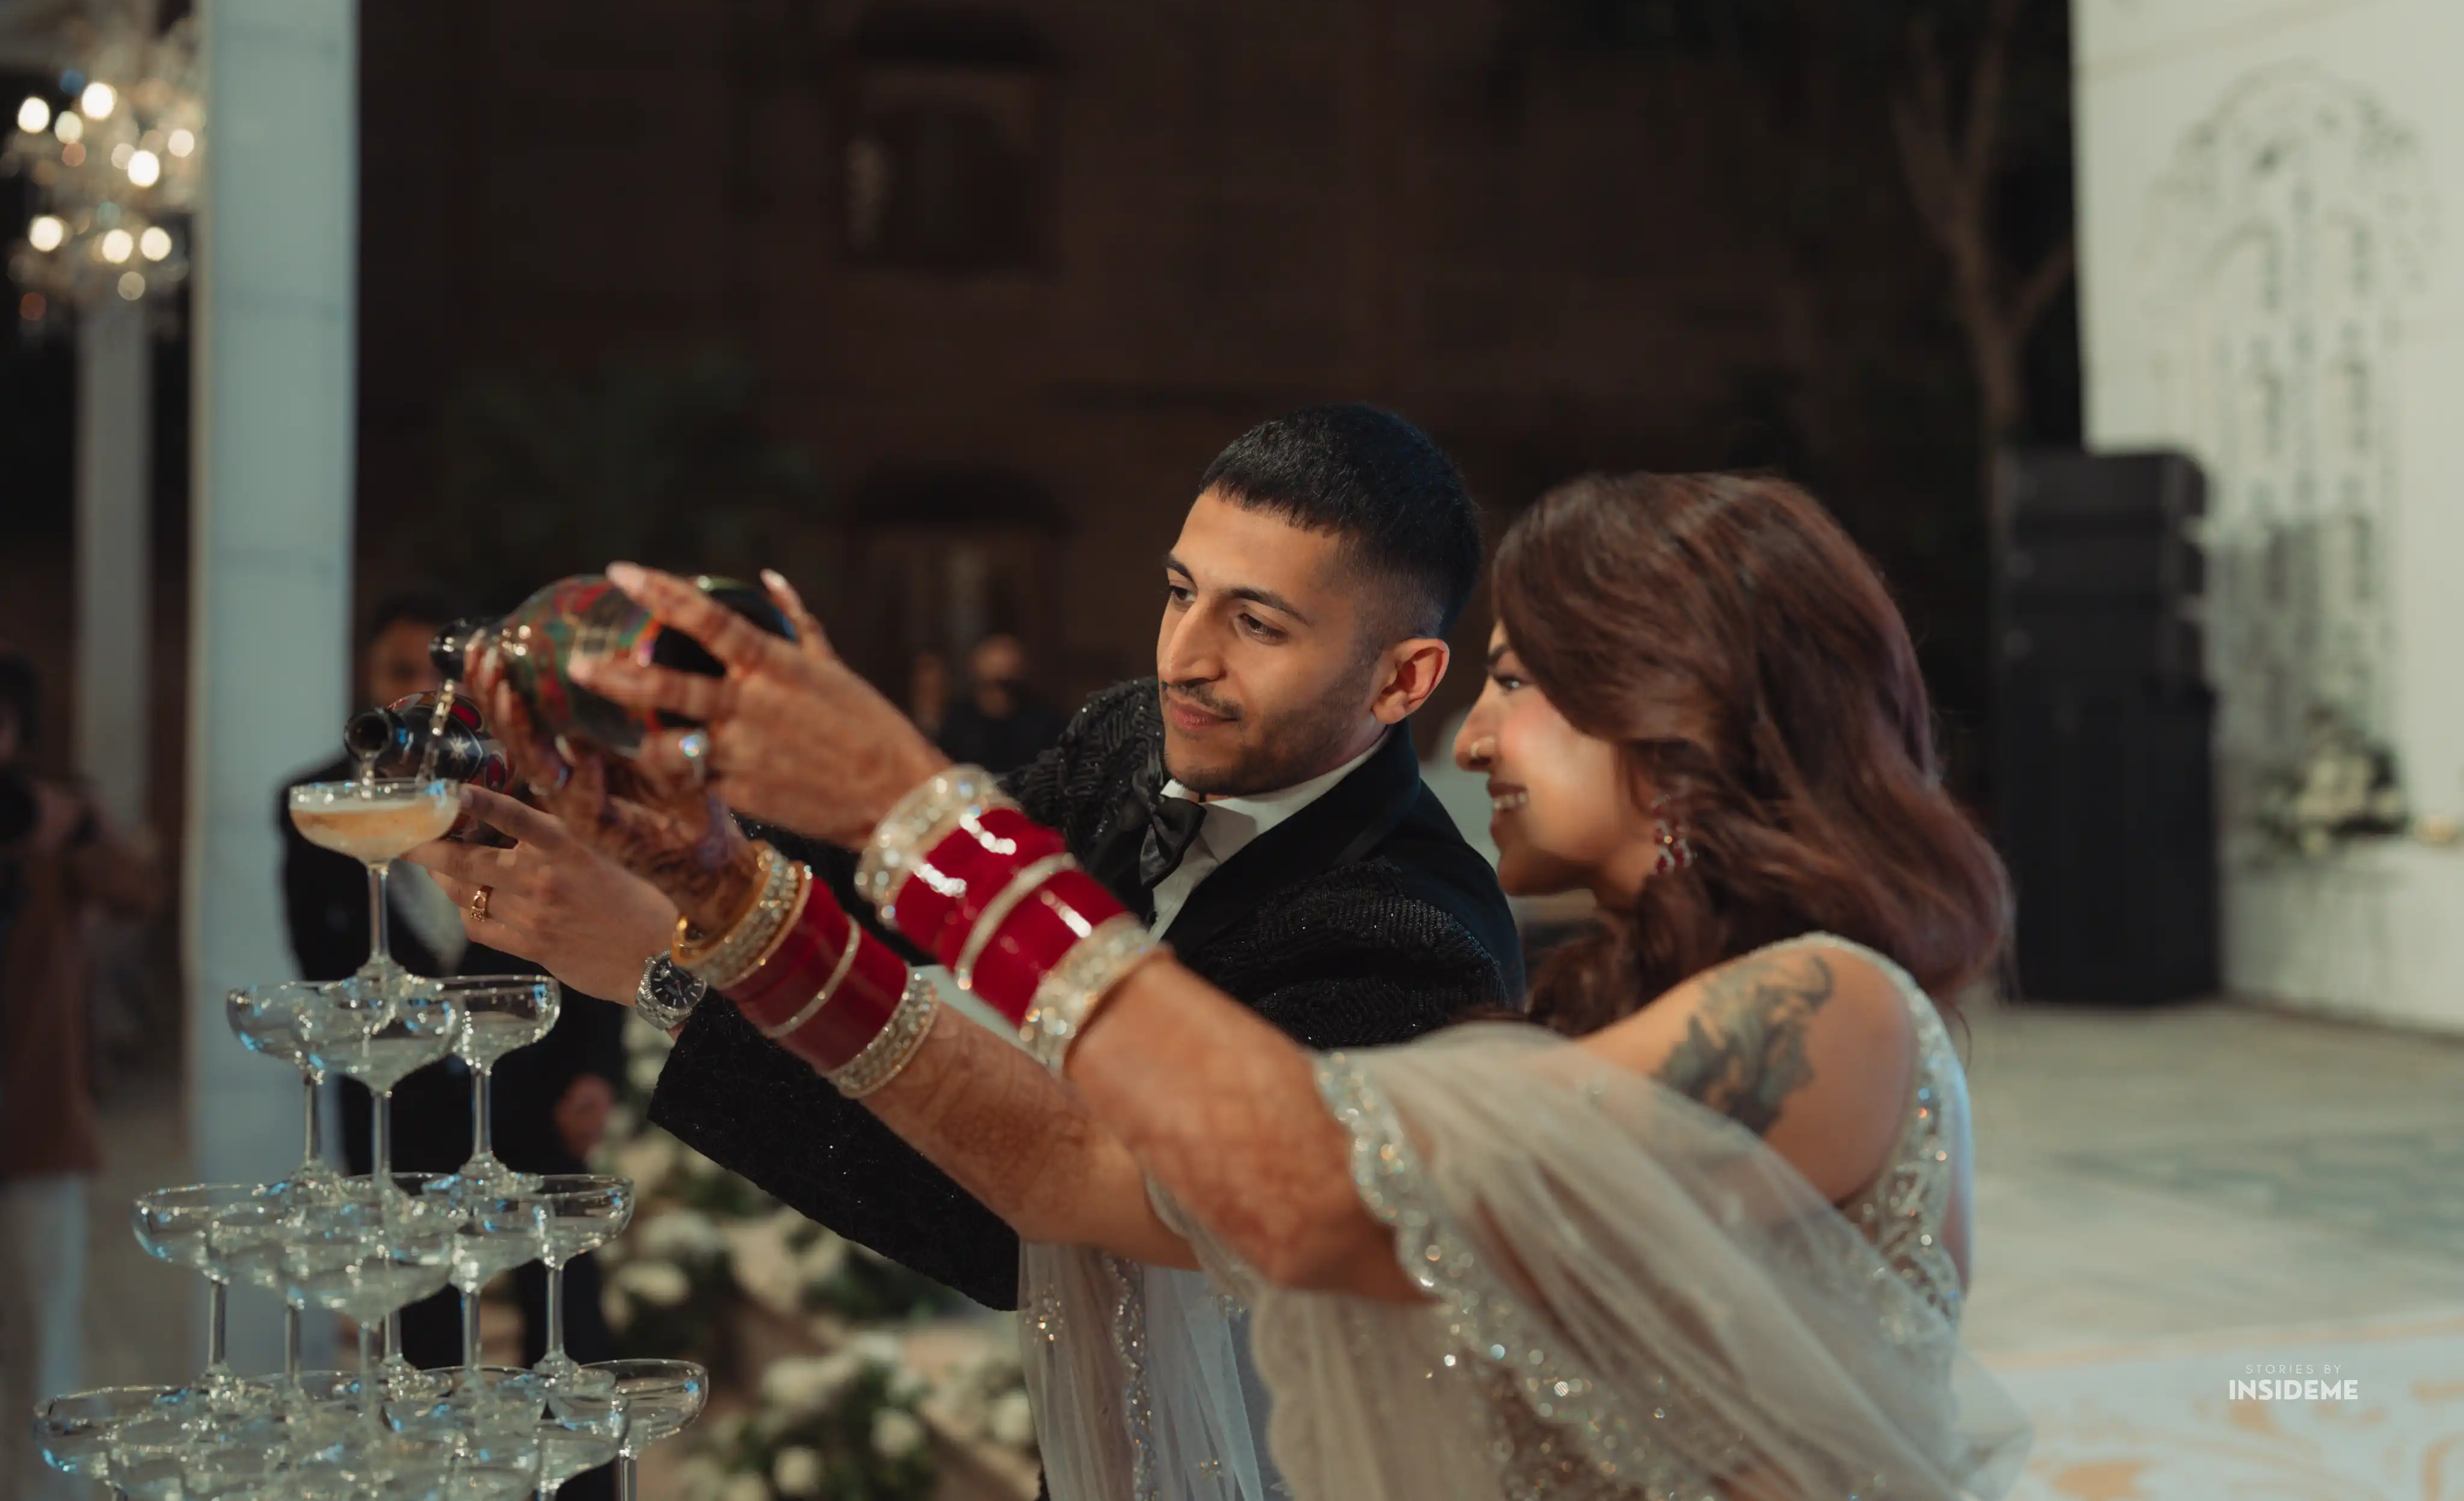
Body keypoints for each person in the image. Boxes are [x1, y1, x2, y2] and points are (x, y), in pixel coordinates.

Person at [466, 470, 2032, 1499]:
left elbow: (1308, 1193)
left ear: (1675, 707)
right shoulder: (1585, 1031)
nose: (1477, 737)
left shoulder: (1834, 1011)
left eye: (1516, 681)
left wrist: (911, 813)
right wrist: (726, 904)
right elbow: (1087, 1175)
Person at [410, 404, 1523, 1320]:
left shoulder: (1418, 942)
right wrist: (660, 835)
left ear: (1404, 680)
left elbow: (1030, 1219)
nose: (1184, 658)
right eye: (1181, 592)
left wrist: (670, 964)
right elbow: (897, 900)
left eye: (1258, 625)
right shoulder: (1130, 737)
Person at [277, 588, 625, 1385]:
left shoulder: (530, 791)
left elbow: (588, 935)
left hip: (534, 1084)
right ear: (369, 677)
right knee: (421, 1335)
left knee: (567, 1316)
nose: (423, 694)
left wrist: (599, 1069)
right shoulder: (319, 805)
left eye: (439, 675)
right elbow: (320, 962)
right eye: (400, 671)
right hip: (400, 1101)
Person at [0, 653, 161, 1501]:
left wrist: (75, 829)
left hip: (37, 1115)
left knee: (44, 1338)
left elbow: (136, 893)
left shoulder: (53, 822)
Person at [936, 632, 1065, 774]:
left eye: (1006, 684)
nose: (998, 696)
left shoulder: (1043, 721)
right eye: (991, 685)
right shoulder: (958, 721)